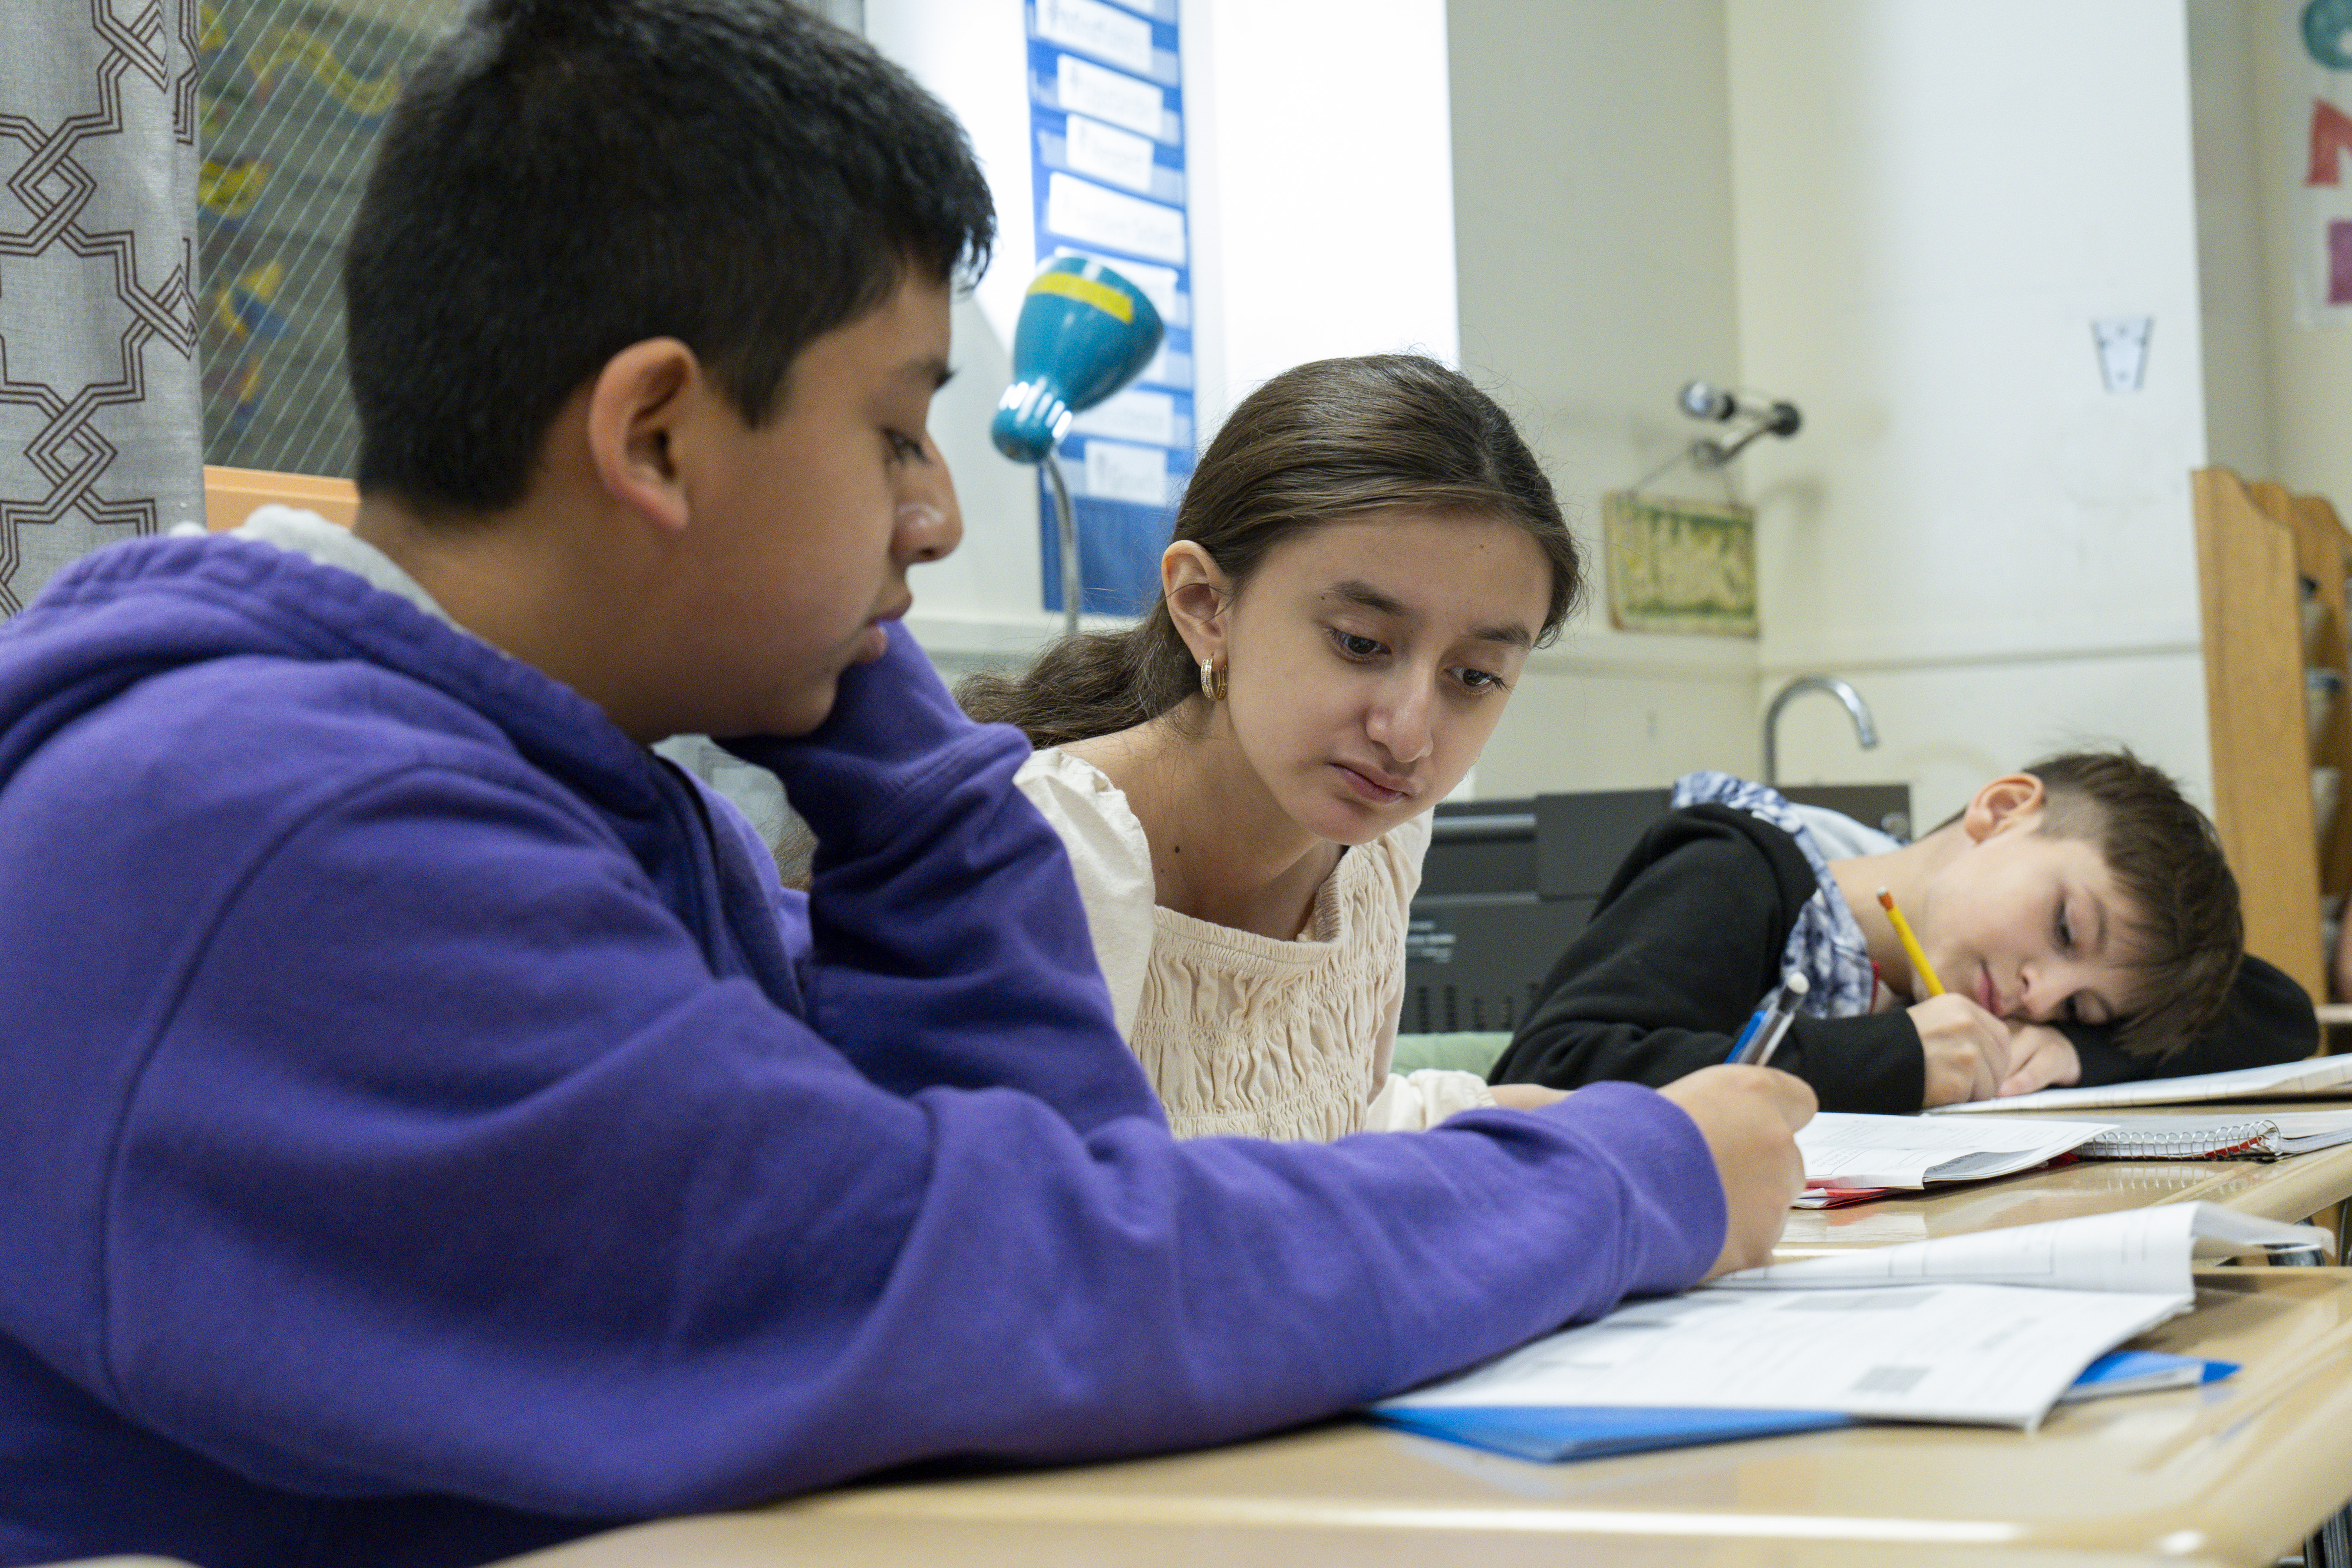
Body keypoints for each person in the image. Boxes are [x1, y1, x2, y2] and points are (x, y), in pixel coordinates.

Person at [0, 4, 1814, 1565]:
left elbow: (1045, 1197)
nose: (937, 514)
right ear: (654, 435)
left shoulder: (602, 804)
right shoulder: (278, 824)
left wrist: (892, 758)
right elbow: (1022, 1292)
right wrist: (1623, 1175)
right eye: (895, 431)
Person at [963, 354, 1576, 1139]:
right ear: (1204, 606)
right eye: (1360, 643)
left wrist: (1615, 1127)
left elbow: (1334, 1127)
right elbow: (1052, 1234)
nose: (1409, 735)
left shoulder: (1376, 843)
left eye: (1475, 676)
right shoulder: (1039, 853)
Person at [1488, 755, 2316, 1113]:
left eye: (2083, 1008)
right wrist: (1893, 1059)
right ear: (1999, 812)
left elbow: (2276, 1011)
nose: (2044, 996)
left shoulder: (2027, 1008)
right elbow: (1554, 1070)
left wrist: (2079, 1055)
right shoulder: (1738, 868)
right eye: (2065, 927)